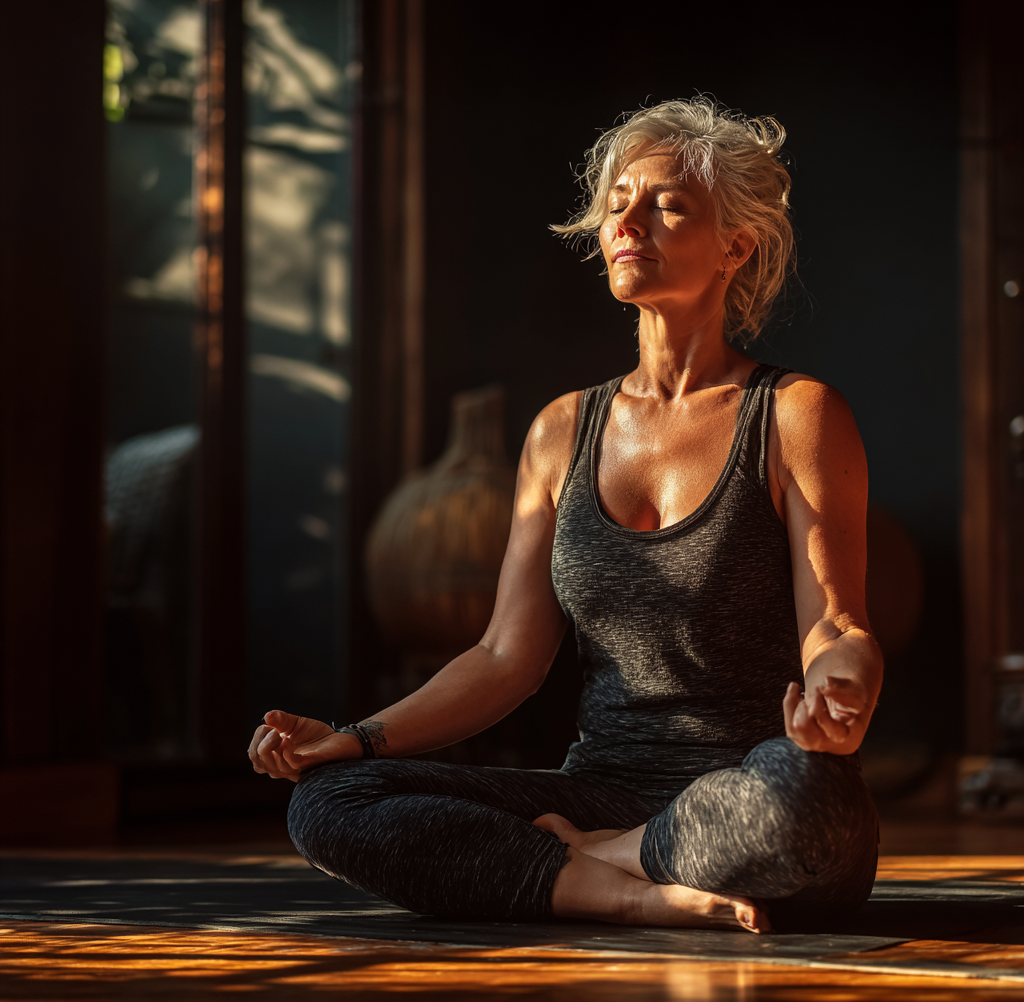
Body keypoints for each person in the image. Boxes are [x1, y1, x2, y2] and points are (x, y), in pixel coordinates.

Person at [248, 97, 883, 935]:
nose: (629, 221)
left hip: (751, 785)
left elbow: (837, 622)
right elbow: (505, 656)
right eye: (618, 202)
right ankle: (622, 890)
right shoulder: (561, 432)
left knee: (805, 799)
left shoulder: (795, 413)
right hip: (599, 782)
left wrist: (843, 693)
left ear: (737, 245)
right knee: (330, 801)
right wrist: (355, 740)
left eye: (667, 204)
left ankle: (604, 855)